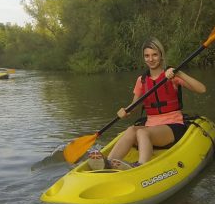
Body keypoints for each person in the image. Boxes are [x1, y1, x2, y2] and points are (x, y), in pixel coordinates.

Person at [88, 38, 205, 171]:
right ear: (144, 58)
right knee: (132, 129)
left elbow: (201, 89)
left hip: (173, 127)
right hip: (151, 127)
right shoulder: (141, 80)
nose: (151, 59)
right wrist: (125, 111)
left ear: (161, 55)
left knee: (142, 132)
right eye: (147, 56)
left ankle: (141, 166)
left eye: (154, 55)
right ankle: (108, 162)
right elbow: (134, 106)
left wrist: (179, 73)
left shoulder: (172, 75)